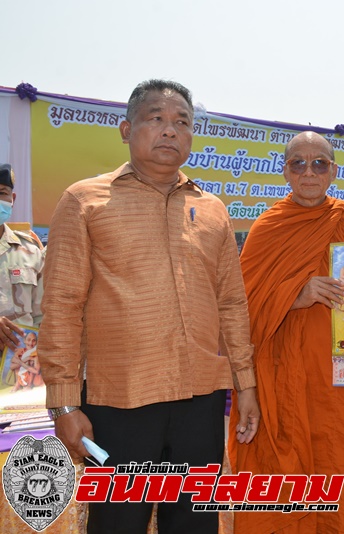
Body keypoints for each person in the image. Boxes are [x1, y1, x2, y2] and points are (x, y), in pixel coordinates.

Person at [38, 79, 260, 534]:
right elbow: (62, 304)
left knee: (196, 522)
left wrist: (247, 385)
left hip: (200, 400)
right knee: (118, 522)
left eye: (182, 122)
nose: (169, 131)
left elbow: (232, 304)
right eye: (156, 119)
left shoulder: (213, 209)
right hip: (120, 402)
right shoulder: (85, 201)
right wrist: (63, 405)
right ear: (126, 129)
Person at [228, 131, 344, 533]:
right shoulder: (267, 227)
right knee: (280, 475)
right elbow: (239, 306)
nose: (309, 171)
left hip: (339, 377)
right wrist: (296, 294)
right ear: (285, 172)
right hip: (279, 374)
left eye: (319, 163)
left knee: (341, 463)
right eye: (298, 163)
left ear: (334, 171)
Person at [0, 163, 44, 353]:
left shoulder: (32, 251)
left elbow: (43, 316)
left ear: (12, 198)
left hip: (19, 369)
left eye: (2, 193)